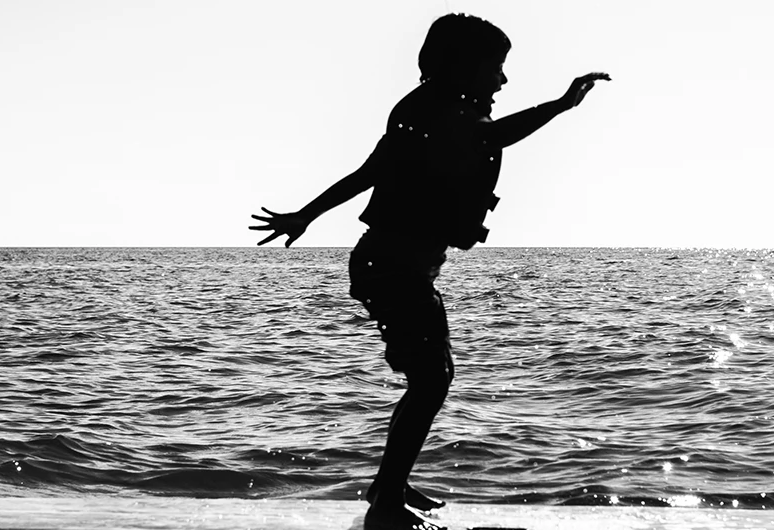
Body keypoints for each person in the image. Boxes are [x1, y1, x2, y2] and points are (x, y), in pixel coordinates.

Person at [249, 13, 607, 530]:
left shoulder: (427, 110)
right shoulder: (439, 113)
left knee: (431, 378)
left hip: (398, 265)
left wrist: (306, 214)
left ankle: (389, 486)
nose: (503, 80)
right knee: (432, 379)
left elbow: (369, 173)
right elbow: (490, 137)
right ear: (463, 66)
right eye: (496, 67)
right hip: (392, 267)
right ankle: (386, 502)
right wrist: (560, 105)